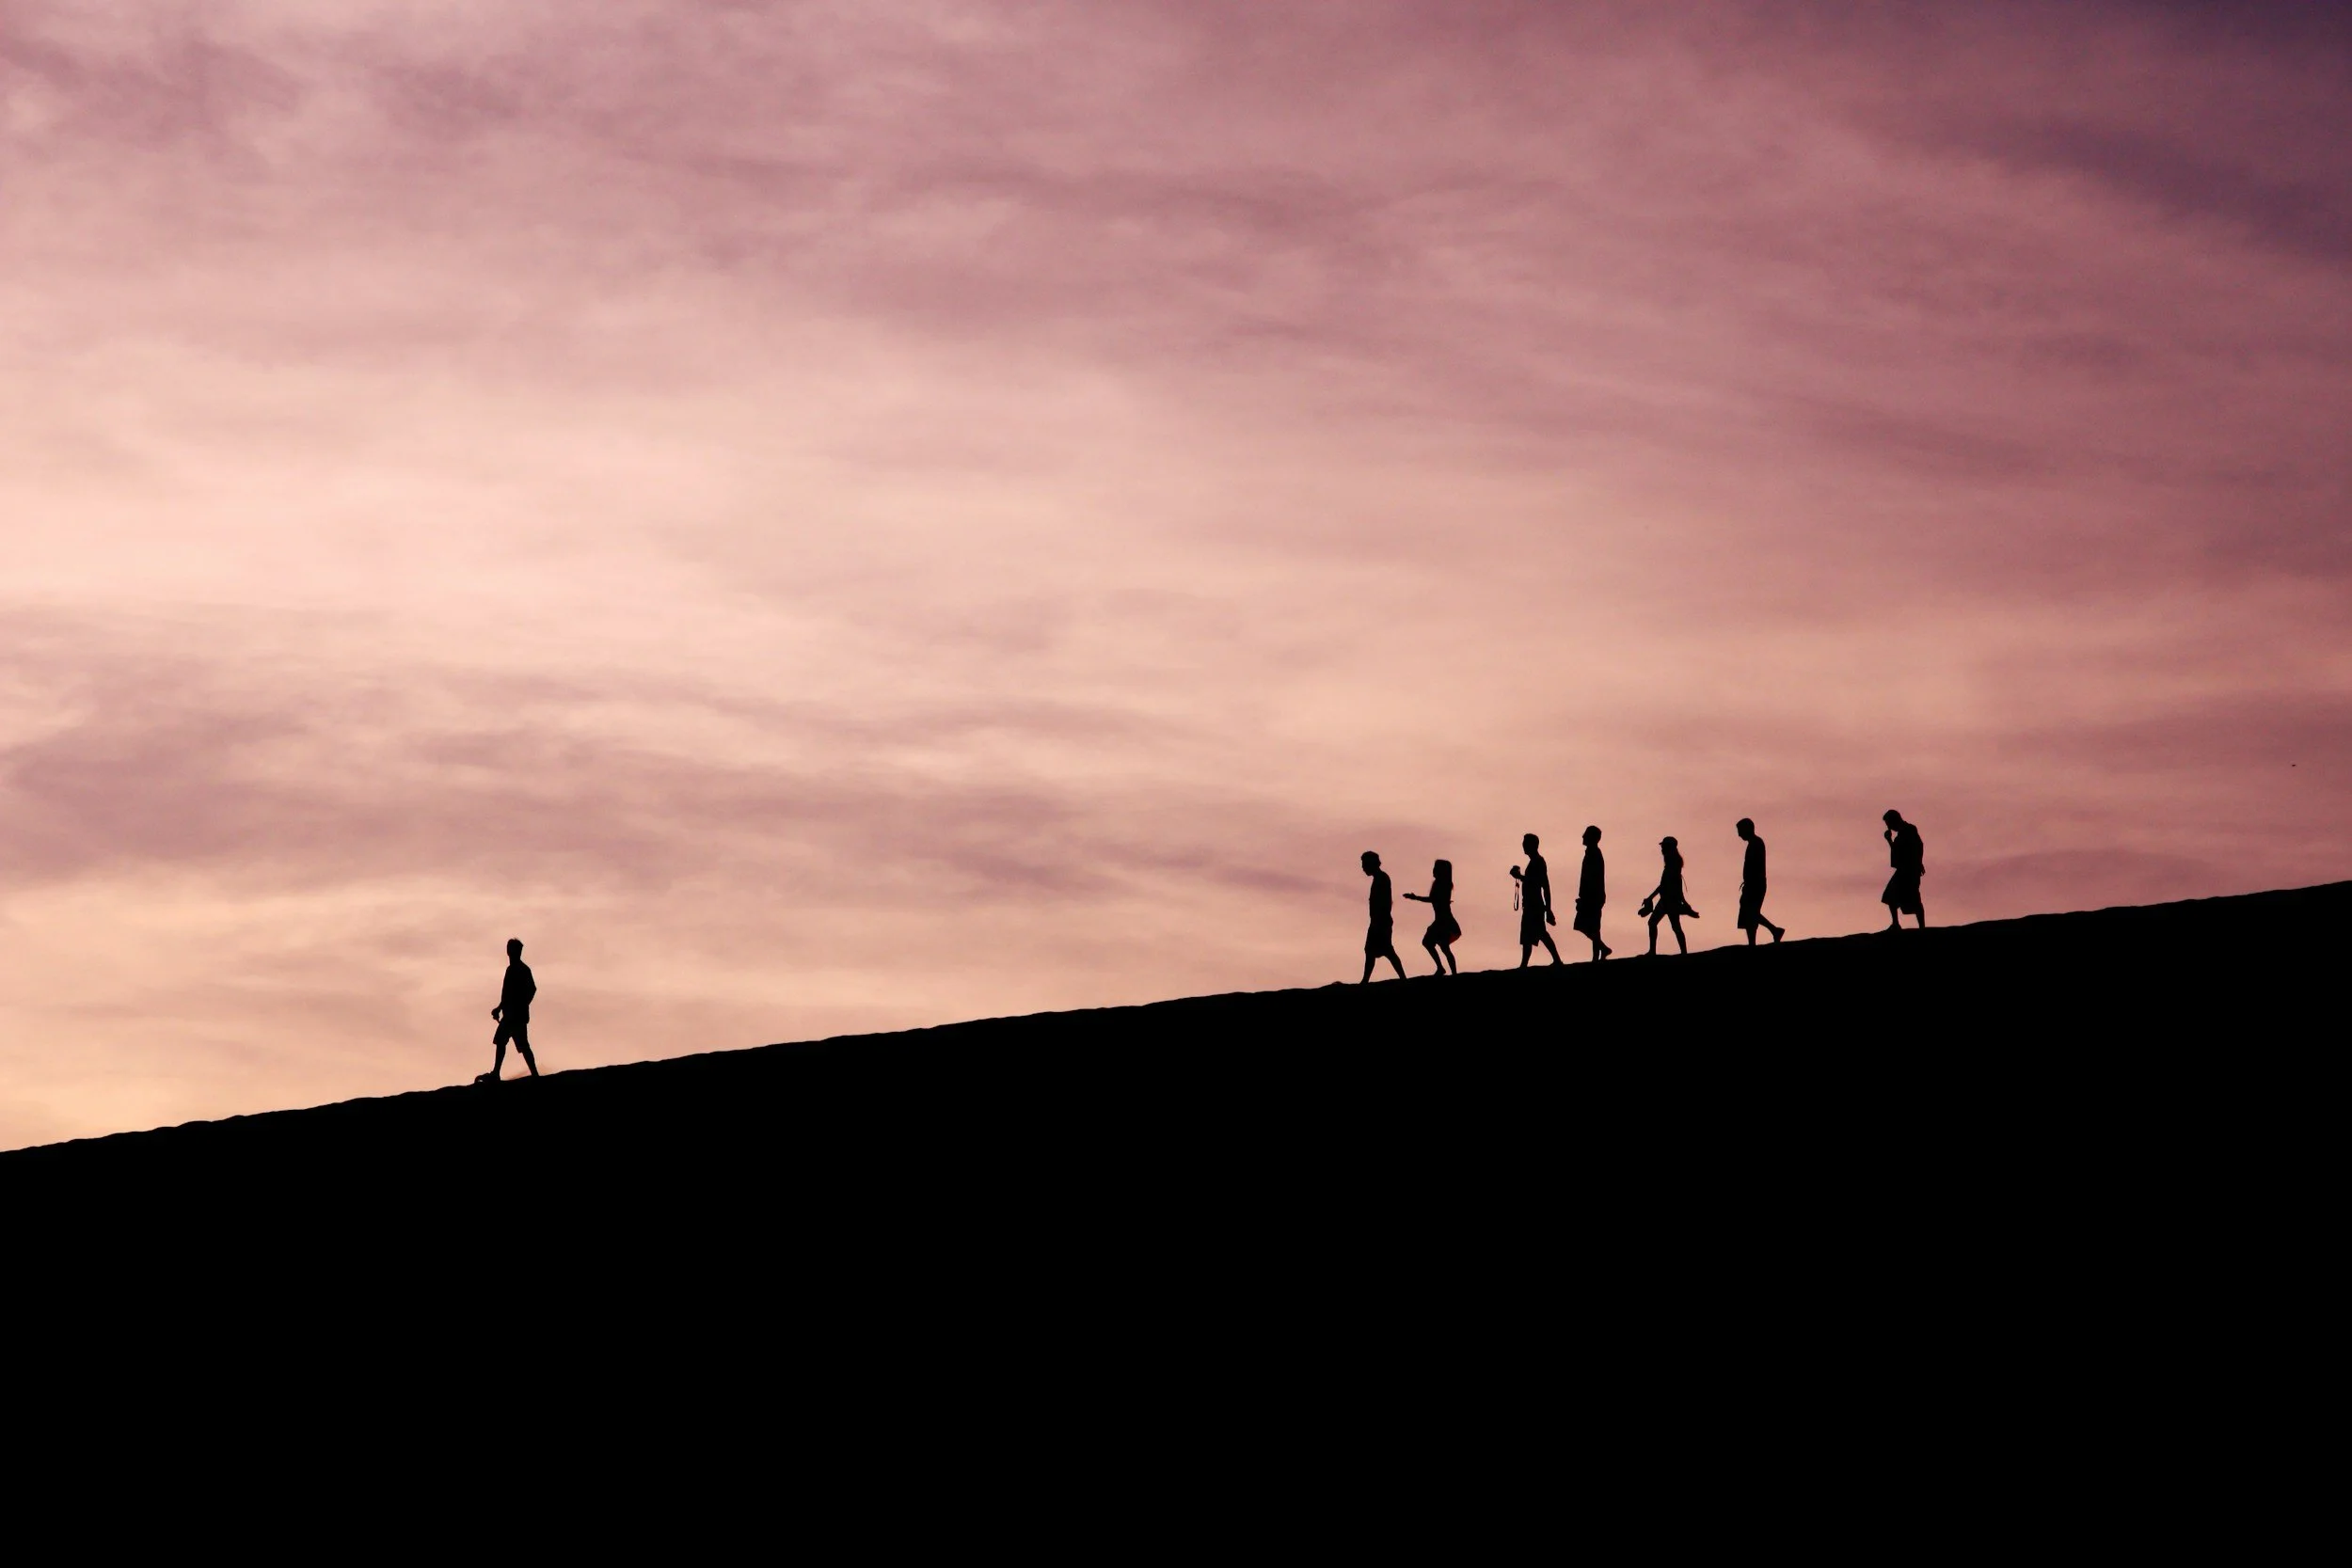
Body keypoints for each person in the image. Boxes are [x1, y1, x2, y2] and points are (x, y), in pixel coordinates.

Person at [480, 938, 540, 1084]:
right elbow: (507, 995)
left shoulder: (522, 970)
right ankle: (499, 1073)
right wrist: (500, 1008)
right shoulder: (512, 970)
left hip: (516, 1015)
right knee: (504, 1041)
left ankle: (534, 1075)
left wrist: (522, 1005)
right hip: (511, 1014)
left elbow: (532, 989)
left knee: (519, 1044)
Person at [1638, 836, 1699, 955]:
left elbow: (1665, 886)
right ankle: (1683, 953)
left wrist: (1650, 898)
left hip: (1668, 901)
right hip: (1668, 900)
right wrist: (1685, 904)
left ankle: (1654, 951)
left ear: (1668, 848)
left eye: (1663, 846)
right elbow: (1672, 886)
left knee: (1659, 924)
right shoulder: (1673, 863)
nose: (1661, 849)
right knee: (1674, 927)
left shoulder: (1672, 865)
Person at [1509, 833, 1564, 968]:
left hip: (1535, 905)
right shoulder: (1534, 862)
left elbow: (1542, 884)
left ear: (1532, 845)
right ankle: (1525, 964)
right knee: (1528, 935)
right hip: (1531, 904)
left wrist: (1520, 876)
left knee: (1540, 933)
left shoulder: (1539, 862)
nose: (1523, 845)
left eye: (1525, 843)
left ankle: (1556, 960)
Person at [1402, 859, 1460, 975]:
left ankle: (1450, 972)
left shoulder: (1443, 884)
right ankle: (1445, 970)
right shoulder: (1440, 884)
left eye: (1435, 868)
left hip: (1444, 921)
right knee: (1437, 945)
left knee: (1439, 946)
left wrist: (1416, 898)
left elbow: (1434, 899)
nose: (1433, 870)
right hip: (1441, 920)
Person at [1735, 818, 1786, 945]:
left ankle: (1774, 930)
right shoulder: (1754, 843)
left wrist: (1750, 883)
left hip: (1755, 884)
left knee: (1750, 912)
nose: (1739, 834)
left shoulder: (1756, 843)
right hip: (1754, 884)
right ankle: (1755, 941)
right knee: (1750, 914)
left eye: (1740, 831)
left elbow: (1755, 866)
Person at [1359, 852, 1408, 983]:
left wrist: (1379, 921)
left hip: (1381, 921)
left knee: (1385, 950)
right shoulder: (1379, 878)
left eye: (1364, 864)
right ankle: (1366, 980)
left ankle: (1402, 978)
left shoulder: (1382, 878)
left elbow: (1385, 902)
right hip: (1378, 920)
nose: (1363, 868)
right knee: (1374, 950)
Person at [1882, 810, 1926, 930]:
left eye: (1889, 823)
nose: (1889, 826)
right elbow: (1897, 851)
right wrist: (1889, 840)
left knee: (1914, 898)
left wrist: (1918, 862)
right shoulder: (1900, 835)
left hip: (1910, 870)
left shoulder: (1910, 830)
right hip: (1903, 870)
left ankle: (1922, 927)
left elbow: (1919, 846)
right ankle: (1895, 923)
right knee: (1891, 895)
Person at [1573, 825, 1611, 960]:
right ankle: (1597, 955)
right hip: (1593, 896)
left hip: (1592, 897)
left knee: (1584, 925)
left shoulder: (1594, 854)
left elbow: (1591, 878)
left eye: (1585, 834)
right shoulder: (1592, 853)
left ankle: (1603, 949)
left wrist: (1584, 898)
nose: (1583, 836)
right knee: (1594, 927)